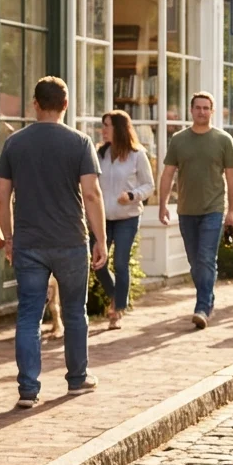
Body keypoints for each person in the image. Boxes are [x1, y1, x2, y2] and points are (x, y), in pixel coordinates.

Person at [0, 77, 105, 409]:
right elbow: (91, 193)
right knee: (74, 311)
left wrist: (8, 237)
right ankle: (76, 379)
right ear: (66, 104)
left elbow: (2, 197)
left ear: (35, 104)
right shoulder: (81, 142)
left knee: (29, 314)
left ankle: (28, 389)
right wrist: (100, 237)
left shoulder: (15, 143)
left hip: (28, 241)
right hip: (71, 239)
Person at [159, 92, 233, 330]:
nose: (202, 112)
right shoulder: (179, 140)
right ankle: (208, 297)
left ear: (212, 111)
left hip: (213, 209)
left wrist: (232, 211)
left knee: (206, 258)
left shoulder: (223, 140)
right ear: (191, 110)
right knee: (195, 263)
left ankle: (202, 306)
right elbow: (168, 173)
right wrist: (162, 204)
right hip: (186, 210)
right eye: (198, 108)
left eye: (206, 108)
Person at [94, 110, 155, 330]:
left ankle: (117, 310)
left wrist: (131, 196)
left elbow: (149, 186)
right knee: (98, 263)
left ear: (119, 128)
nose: (103, 130)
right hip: (102, 218)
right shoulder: (99, 153)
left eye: (107, 125)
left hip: (127, 217)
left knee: (120, 262)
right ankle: (117, 297)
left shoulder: (137, 154)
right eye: (103, 125)